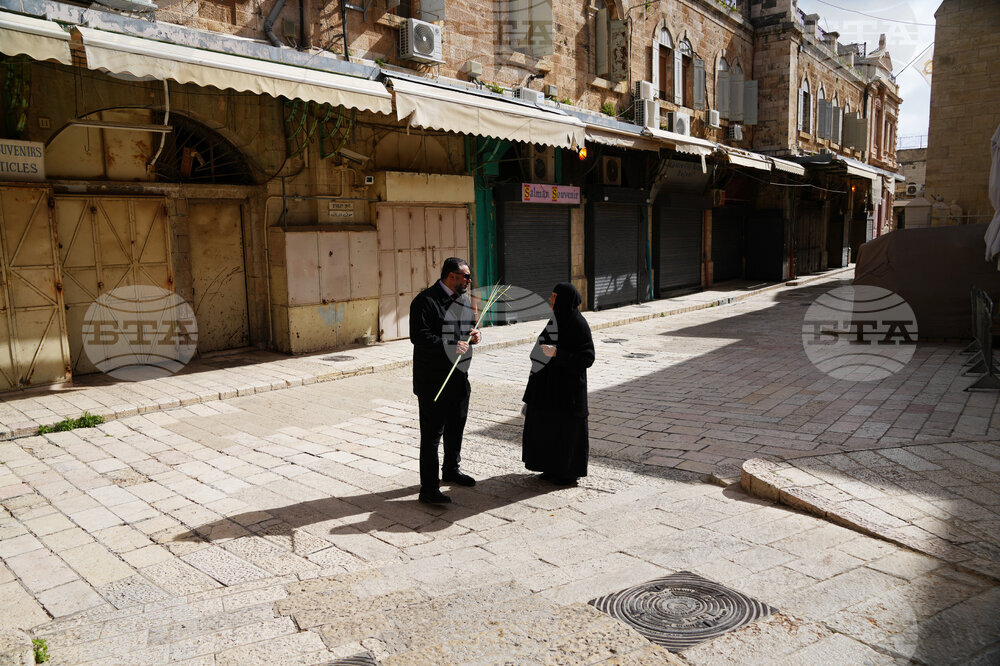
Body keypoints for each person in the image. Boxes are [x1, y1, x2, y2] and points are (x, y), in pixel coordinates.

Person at [409, 257, 481, 505]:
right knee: (432, 435)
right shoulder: (425, 301)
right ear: (451, 276)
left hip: (459, 377)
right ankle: (428, 489)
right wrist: (451, 345)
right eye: (465, 277)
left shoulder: (462, 300)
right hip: (433, 380)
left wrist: (474, 335)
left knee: (456, 427)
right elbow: (419, 337)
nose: (469, 281)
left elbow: (468, 327)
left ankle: (451, 469)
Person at [521, 282, 595, 485]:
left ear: (563, 300)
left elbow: (587, 358)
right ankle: (550, 468)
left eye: (554, 297)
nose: (550, 299)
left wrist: (557, 353)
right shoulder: (556, 320)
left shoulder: (578, 324)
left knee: (566, 432)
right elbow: (540, 347)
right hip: (548, 390)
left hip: (568, 392)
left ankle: (567, 473)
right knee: (548, 429)